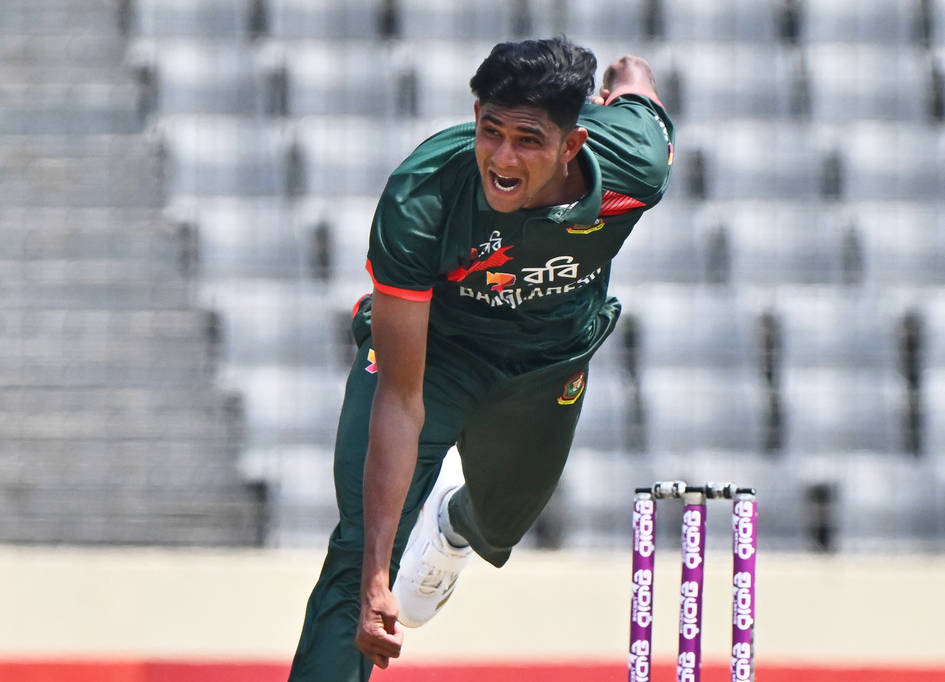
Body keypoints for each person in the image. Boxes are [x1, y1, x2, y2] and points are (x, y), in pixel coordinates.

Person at [288, 37, 674, 681]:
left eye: (527, 139)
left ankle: (455, 525)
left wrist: (631, 78)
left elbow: (639, 95)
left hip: (546, 358)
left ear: (572, 146)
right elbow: (401, 398)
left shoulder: (634, 167)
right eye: (490, 131)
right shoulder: (423, 197)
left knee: (503, 518)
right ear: (474, 118)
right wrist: (377, 575)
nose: (502, 156)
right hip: (437, 349)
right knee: (358, 555)